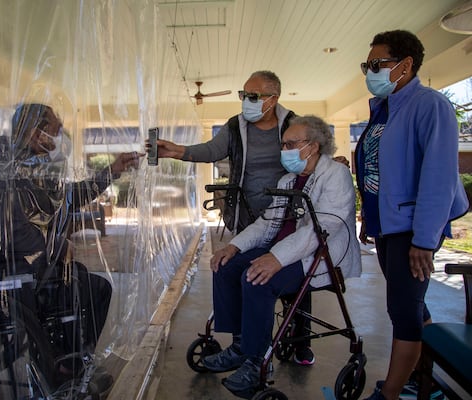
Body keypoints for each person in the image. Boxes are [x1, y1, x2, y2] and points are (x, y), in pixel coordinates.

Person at [0, 103, 141, 385]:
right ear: (35, 133)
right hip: (2, 272)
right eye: (55, 133)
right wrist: (55, 248)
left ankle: (66, 359)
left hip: (11, 264)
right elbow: (10, 231)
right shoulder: (9, 167)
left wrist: (112, 170)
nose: (58, 141)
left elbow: (66, 198)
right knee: (93, 288)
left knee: (80, 278)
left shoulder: (22, 163)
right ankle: (61, 368)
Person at [154, 70, 319, 365]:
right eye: (243, 95)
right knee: (243, 272)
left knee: (292, 279)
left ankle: (299, 340)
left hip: (288, 215)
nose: (246, 102)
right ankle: (246, 342)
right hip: (248, 214)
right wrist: (177, 151)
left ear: (273, 99)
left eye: (253, 96)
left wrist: (333, 162)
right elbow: (211, 150)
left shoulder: (292, 124)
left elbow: (312, 156)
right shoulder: (236, 126)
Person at [202, 115, 362, 396]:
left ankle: (257, 361)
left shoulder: (335, 176)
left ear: (313, 146)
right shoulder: (289, 179)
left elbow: (321, 229)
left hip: (318, 257)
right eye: (283, 143)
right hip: (283, 249)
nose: (284, 149)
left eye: (290, 143)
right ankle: (241, 346)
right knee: (226, 266)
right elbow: (267, 223)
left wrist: (276, 258)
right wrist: (234, 246)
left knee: (256, 278)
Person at [355, 30, 468, 400]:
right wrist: (371, 222)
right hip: (388, 226)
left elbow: (439, 178)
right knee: (412, 305)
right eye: (366, 65)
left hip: (412, 230)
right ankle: (422, 376)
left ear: (405, 65)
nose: (369, 72)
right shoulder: (386, 108)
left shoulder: (428, 105)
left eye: (377, 64)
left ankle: (390, 393)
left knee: (402, 312)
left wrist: (424, 239)